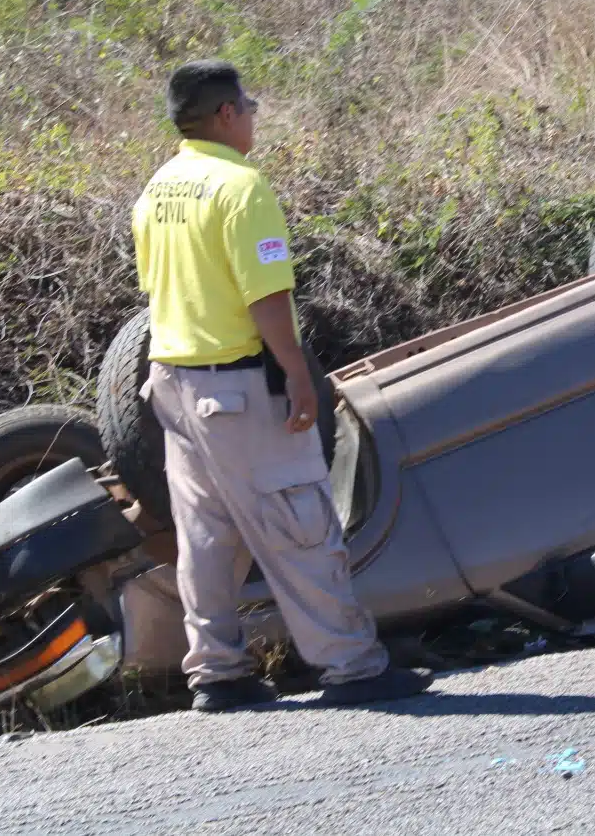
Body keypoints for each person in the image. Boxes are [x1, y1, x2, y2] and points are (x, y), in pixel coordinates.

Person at [130, 59, 433, 712]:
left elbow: (156, 289)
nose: (254, 117)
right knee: (300, 521)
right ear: (226, 116)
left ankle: (217, 673)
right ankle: (351, 665)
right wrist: (298, 372)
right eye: (247, 107)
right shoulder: (240, 188)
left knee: (208, 536)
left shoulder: (159, 188)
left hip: (175, 386)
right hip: (239, 388)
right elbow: (266, 293)